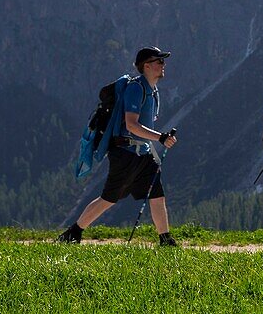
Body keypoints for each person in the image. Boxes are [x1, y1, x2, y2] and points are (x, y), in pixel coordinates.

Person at [57, 46, 179, 246]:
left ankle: (165, 239)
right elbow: (131, 124)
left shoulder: (153, 90)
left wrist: (158, 139)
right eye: (159, 61)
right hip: (125, 152)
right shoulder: (136, 88)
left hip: (142, 152)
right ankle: (73, 232)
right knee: (109, 198)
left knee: (157, 194)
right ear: (146, 66)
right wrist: (160, 137)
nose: (163, 65)